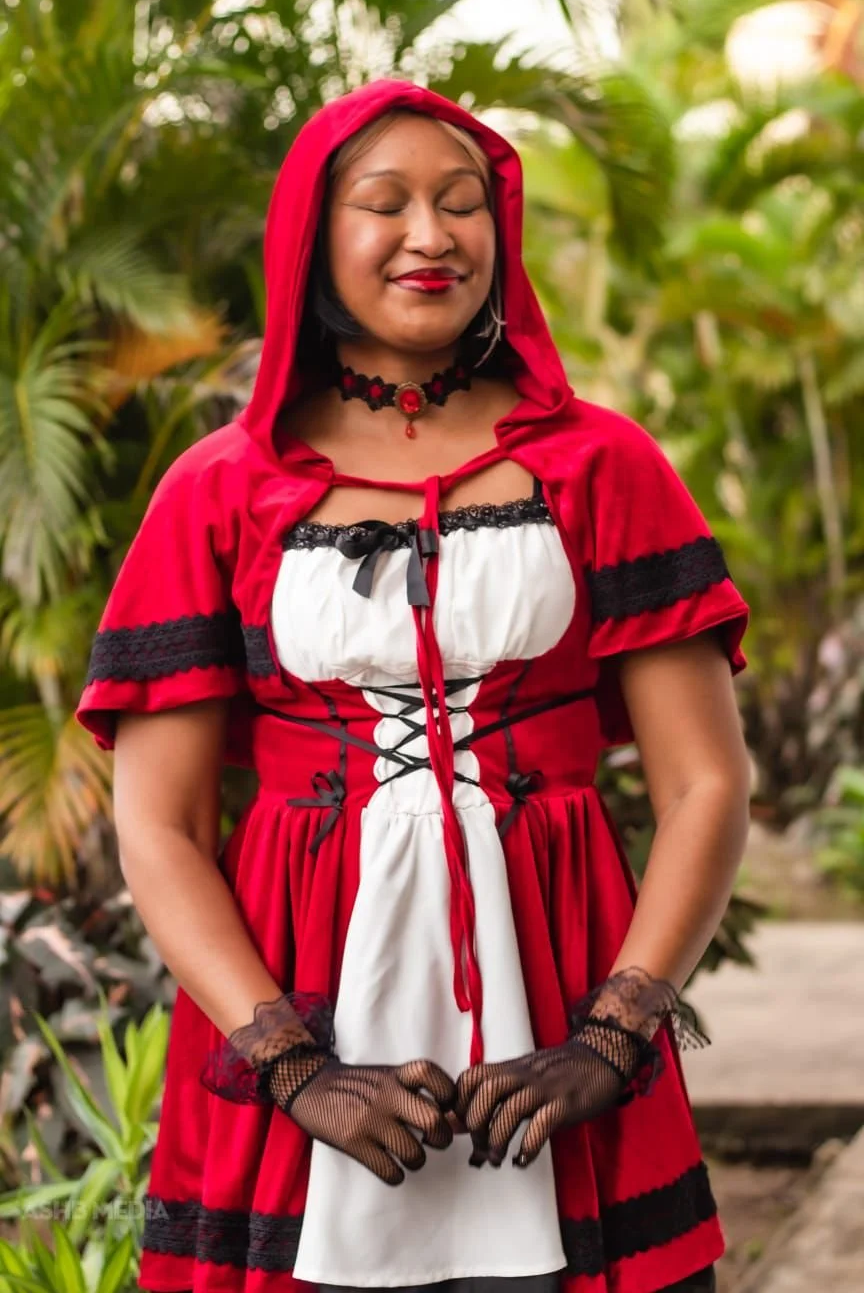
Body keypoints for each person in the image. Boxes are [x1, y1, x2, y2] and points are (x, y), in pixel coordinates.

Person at [76, 78, 751, 1293]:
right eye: (384, 205)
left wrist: (614, 1034)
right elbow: (159, 825)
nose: (433, 236)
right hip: (296, 988)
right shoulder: (219, 491)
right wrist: (291, 1066)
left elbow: (706, 780)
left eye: (464, 204)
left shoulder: (603, 466)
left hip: (559, 977)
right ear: (311, 241)